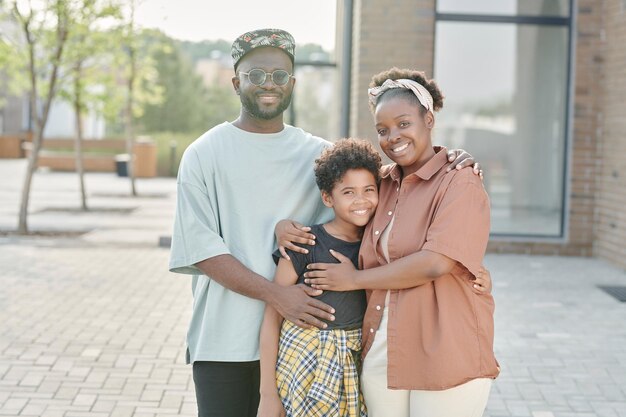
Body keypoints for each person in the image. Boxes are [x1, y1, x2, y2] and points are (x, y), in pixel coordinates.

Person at [168, 27, 480, 417]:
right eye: (256, 75)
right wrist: (276, 293)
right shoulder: (203, 154)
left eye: (280, 75)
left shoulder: (317, 153)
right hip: (223, 341)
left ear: (293, 84)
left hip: (303, 347)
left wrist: (448, 158)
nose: (269, 84)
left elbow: (379, 183)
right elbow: (202, 251)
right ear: (235, 82)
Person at [301, 68, 500, 417]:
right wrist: (284, 227)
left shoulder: (459, 182)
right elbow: (345, 215)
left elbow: (436, 262)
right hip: (383, 350)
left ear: (428, 118)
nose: (393, 136)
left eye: (403, 123)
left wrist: (355, 280)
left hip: (445, 351)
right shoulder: (382, 184)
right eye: (383, 130)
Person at [259, 138, 381, 417]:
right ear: (328, 198)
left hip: (353, 362)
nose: (361, 200)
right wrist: (267, 393)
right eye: (348, 192)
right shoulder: (305, 243)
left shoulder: (378, 246)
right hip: (302, 360)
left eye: (369, 190)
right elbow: (272, 316)